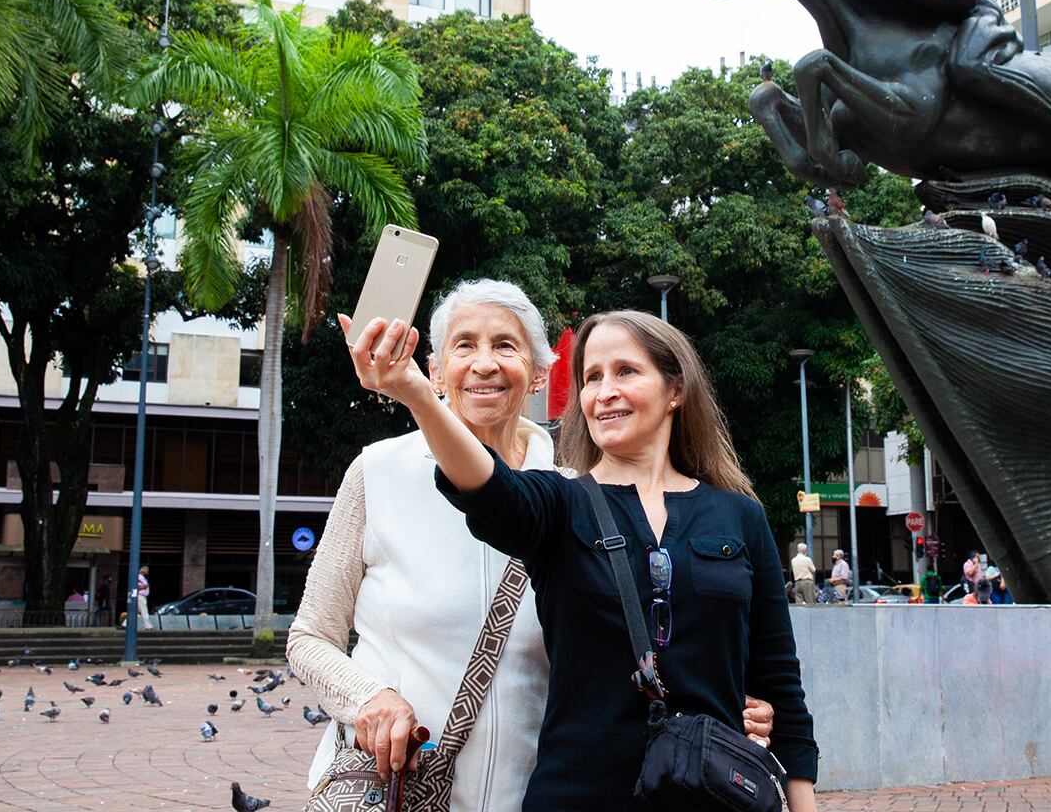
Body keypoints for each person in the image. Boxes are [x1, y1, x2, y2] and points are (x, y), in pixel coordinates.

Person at [292, 281, 780, 802]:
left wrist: (729, 705)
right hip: (399, 786)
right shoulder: (379, 471)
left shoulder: (580, 497)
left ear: (541, 372)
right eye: (464, 346)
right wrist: (369, 698)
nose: (485, 364)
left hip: (526, 791)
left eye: (506, 345)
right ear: (433, 370)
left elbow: (635, 646)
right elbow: (309, 638)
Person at [133, 566, 152, 630]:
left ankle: (125, 624)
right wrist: (144, 587)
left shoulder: (142, 577)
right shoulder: (139, 577)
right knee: (144, 611)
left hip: (141, 596)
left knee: (136, 612)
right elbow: (135, 586)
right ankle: (148, 626)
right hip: (141, 596)